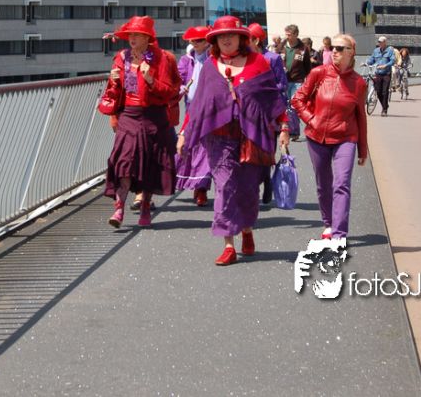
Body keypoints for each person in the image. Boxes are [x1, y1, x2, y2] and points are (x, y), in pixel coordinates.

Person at [177, 16, 290, 266]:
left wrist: (284, 127)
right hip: (219, 138)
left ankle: (247, 230)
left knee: (249, 189)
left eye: (231, 34)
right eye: (221, 36)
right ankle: (228, 244)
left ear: (241, 38)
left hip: (252, 137)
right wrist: (184, 133)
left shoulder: (258, 62)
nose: (226, 39)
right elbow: (198, 105)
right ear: (215, 41)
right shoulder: (210, 67)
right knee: (225, 186)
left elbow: (273, 99)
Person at [104, 16, 181, 229]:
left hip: (154, 116)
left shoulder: (162, 58)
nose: (132, 38)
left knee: (148, 164)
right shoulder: (122, 57)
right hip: (128, 115)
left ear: (148, 37)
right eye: (130, 34)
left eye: (137, 34)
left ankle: (145, 206)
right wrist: (113, 81)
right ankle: (119, 207)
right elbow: (113, 92)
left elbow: (169, 92)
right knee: (124, 161)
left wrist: (150, 79)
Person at [291, 34, 368, 241]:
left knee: (342, 184)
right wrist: (311, 119)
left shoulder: (359, 83)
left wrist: (362, 149)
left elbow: (361, 116)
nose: (335, 51)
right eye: (333, 47)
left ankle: (339, 235)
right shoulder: (319, 73)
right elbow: (298, 99)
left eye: (340, 48)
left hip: (346, 138)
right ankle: (329, 223)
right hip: (317, 137)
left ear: (351, 52)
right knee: (323, 184)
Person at [249, 22, 289, 204]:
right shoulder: (244, 59)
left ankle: (266, 180)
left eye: (247, 39)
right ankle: (254, 186)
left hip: (269, 112)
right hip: (250, 112)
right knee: (250, 150)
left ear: (257, 40)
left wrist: (264, 88)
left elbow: (283, 84)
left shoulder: (272, 58)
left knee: (267, 150)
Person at [175, 25, 212, 206]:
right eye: (193, 40)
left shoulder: (214, 58)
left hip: (211, 109)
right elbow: (178, 79)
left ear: (207, 42)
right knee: (188, 147)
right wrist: (181, 88)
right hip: (191, 108)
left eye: (199, 40)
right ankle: (192, 183)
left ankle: (201, 188)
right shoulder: (186, 60)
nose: (195, 43)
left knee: (205, 149)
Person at [365, 36, 396, 116]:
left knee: (385, 91)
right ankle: (385, 105)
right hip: (378, 73)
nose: (379, 43)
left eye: (381, 42)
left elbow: (393, 60)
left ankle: (384, 110)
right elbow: (372, 59)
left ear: (385, 42)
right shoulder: (376, 51)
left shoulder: (390, 50)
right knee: (378, 91)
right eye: (379, 42)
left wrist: (386, 65)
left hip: (386, 74)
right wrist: (366, 63)